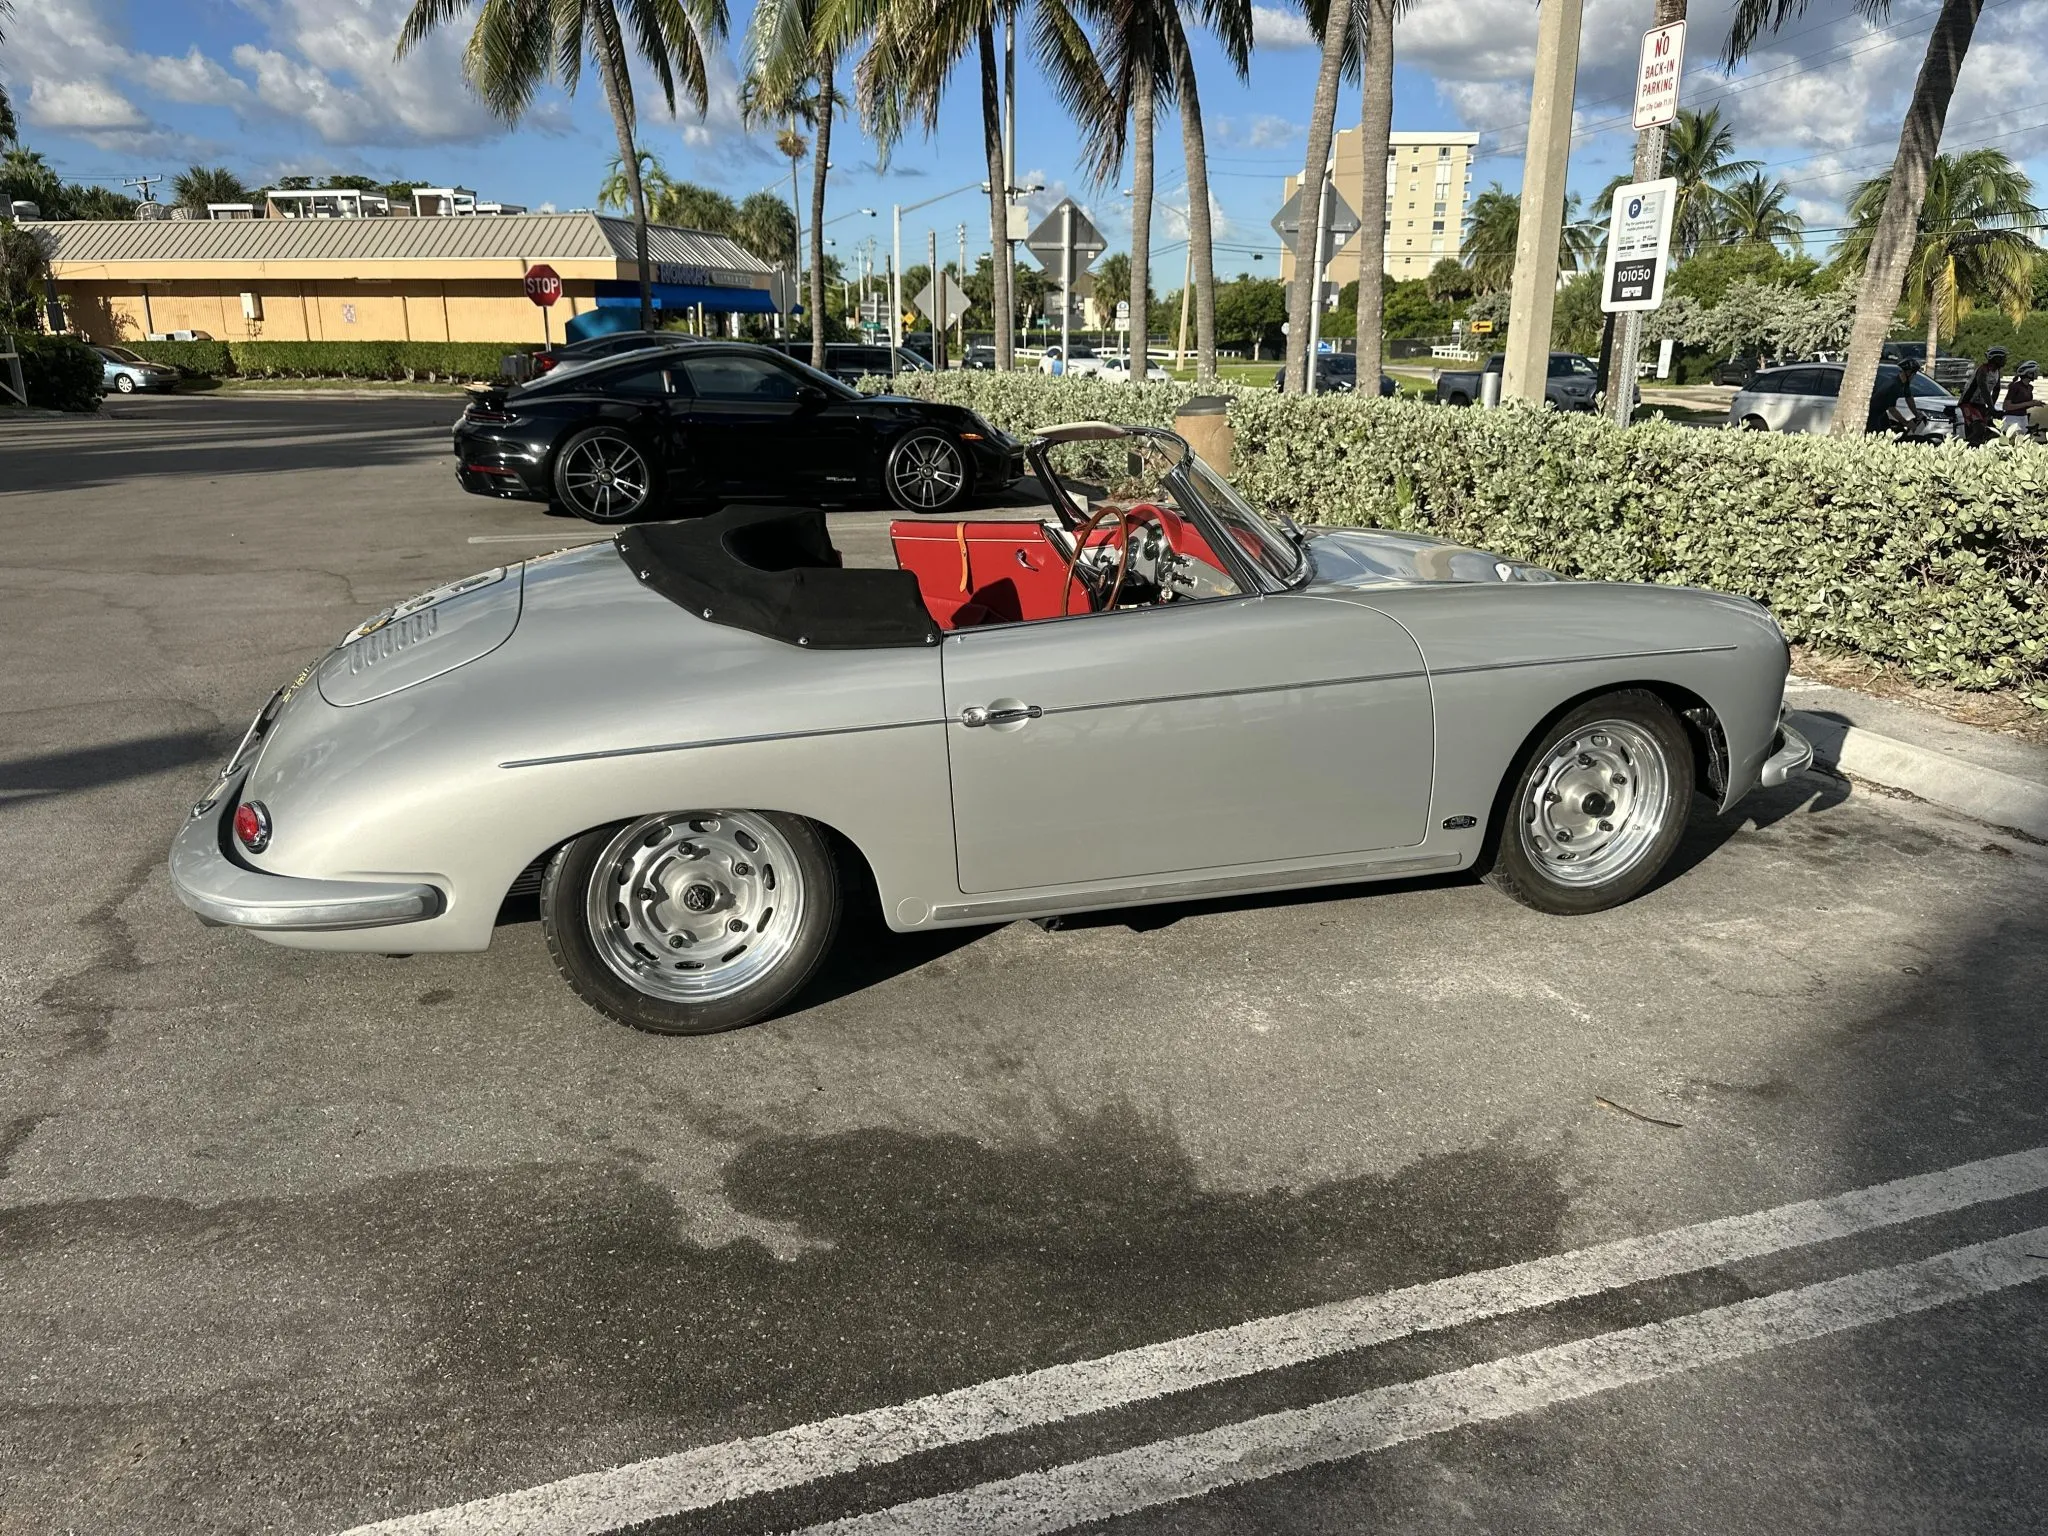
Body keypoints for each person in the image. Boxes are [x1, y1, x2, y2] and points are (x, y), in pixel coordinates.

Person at [1960, 345, 2007, 444]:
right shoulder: (1983, 369)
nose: (2005, 361)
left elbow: (1996, 390)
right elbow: (1984, 389)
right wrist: (1991, 408)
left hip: (1980, 404)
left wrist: (1992, 408)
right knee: (1979, 429)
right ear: (1996, 359)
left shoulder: (1997, 372)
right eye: (2003, 358)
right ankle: (1964, 447)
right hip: (1968, 403)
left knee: (1989, 430)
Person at [1868, 354, 1924, 435]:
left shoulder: (1905, 383)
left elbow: (1909, 398)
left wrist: (1916, 414)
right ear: (1908, 373)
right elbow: (1892, 410)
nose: (1914, 377)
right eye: (1914, 374)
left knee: (1889, 432)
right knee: (1878, 435)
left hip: (1882, 412)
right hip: (1873, 414)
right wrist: (1906, 423)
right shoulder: (1894, 386)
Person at [2000, 359, 2041, 438]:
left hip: (2023, 418)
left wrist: (2034, 403)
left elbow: (2023, 405)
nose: (2037, 374)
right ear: (2029, 373)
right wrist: (2028, 403)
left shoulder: (2030, 387)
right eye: (2035, 372)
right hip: (2012, 418)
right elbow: (2006, 406)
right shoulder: (2015, 386)